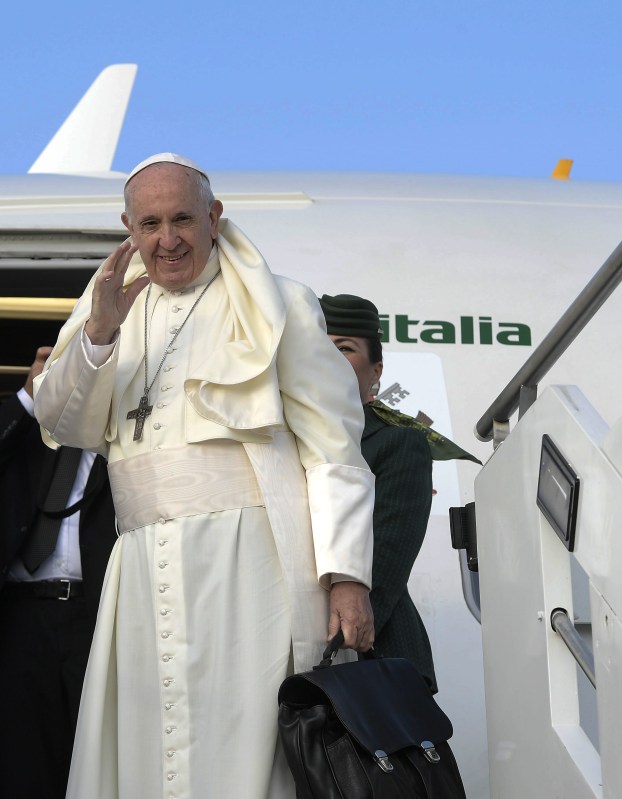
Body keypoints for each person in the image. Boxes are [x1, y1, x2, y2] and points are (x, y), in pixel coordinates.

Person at [33, 153, 377, 798]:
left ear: (214, 217)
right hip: (139, 562)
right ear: (129, 228)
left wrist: (347, 578)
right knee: (146, 749)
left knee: (244, 749)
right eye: (151, 224)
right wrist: (101, 334)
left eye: (183, 219)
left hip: (250, 564)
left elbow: (335, 450)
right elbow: (66, 423)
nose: (168, 240)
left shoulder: (283, 303)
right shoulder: (105, 307)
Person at [0, 348, 117, 799]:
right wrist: (27, 396)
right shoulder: (29, 428)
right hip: (19, 622)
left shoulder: (134, 426)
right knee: (21, 774)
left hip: (98, 620)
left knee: (102, 772)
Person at [321, 293, 484, 693]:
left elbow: (386, 566)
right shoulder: (280, 440)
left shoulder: (399, 444)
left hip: (372, 656)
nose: (328, 359)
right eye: (318, 347)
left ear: (375, 370)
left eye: (344, 348)